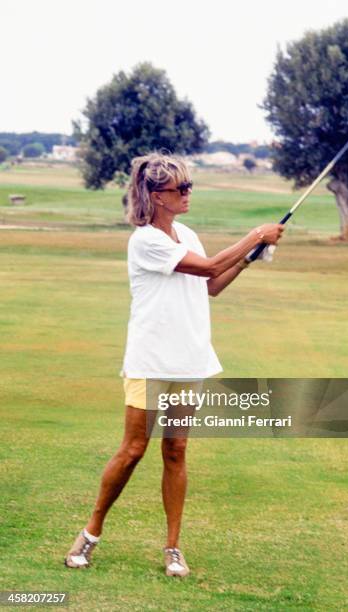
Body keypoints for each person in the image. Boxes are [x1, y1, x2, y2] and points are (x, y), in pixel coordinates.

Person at [64, 152, 283, 577]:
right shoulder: (145, 240)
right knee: (132, 450)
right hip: (149, 362)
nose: (186, 194)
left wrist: (248, 256)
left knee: (176, 450)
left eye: (188, 187)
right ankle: (90, 533)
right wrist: (254, 233)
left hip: (189, 360)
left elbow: (212, 283)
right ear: (155, 196)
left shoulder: (187, 233)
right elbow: (204, 266)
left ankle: (173, 548)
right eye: (178, 189)